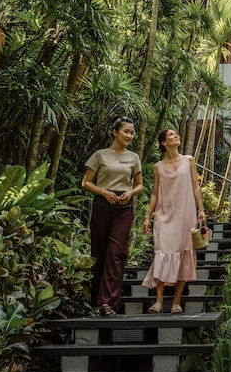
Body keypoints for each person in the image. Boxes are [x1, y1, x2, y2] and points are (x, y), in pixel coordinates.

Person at [80, 117, 143, 316]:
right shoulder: (100, 155)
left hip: (124, 207)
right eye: (126, 131)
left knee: (116, 252)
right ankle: (96, 299)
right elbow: (86, 182)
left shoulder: (133, 157)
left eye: (132, 132)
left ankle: (108, 303)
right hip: (102, 204)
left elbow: (140, 185)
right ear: (115, 132)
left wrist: (130, 193)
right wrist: (104, 192)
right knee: (99, 251)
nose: (129, 136)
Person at [141, 128, 206, 314]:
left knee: (184, 254)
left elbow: (195, 187)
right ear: (164, 142)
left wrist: (201, 210)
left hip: (185, 214)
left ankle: (176, 301)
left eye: (176, 133)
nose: (176, 135)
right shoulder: (158, 167)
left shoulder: (189, 160)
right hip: (164, 215)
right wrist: (147, 217)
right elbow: (155, 194)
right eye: (171, 134)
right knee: (163, 253)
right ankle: (159, 301)